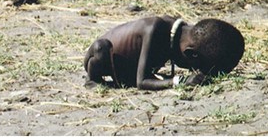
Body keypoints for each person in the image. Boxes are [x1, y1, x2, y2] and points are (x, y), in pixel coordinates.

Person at [83, 15, 245, 90]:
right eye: (196, 67)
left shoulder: (179, 33)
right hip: (101, 58)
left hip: (128, 68)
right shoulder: (155, 30)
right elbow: (142, 81)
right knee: (100, 48)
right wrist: (178, 81)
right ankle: (92, 81)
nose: (194, 71)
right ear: (191, 54)